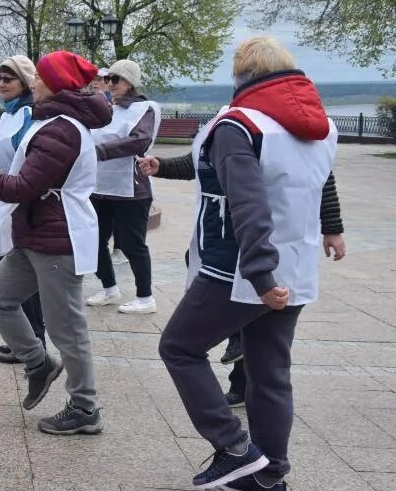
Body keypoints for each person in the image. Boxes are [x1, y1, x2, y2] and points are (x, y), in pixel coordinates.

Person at [155, 36, 337, 491]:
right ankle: (270, 477)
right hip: (294, 262)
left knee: (179, 346)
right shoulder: (321, 125)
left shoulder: (240, 124)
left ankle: (234, 448)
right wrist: (331, 231)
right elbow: (321, 183)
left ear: (243, 75)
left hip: (239, 265)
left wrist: (260, 275)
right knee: (269, 372)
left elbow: (247, 203)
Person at [141, 153, 345, 409]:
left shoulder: (264, 128)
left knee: (184, 346)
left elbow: (322, 176)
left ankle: (235, 436)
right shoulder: (230, 122)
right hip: (226, 241)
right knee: (262, 352)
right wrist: (164, 165)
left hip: (257, 246)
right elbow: (203, 160)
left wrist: (332, 227)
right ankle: (242, 388)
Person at [0, 50, 111, 435]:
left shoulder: (60, 129)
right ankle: (39, 364)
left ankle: (85, 407)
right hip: (38, 233)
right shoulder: (54, 122)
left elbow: (24, 187)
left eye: (39, 77)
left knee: (66, 326)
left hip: (57, 238)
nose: (33, 82)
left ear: (55, 84)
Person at [0, 56, 48, 365]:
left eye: (8, 78)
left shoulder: (28, 114)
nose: (1, 83)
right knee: (6, 276)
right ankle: (24, 340)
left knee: (20, 280)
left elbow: (28, 159)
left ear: (25, 82)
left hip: (14, 203)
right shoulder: (6, 117)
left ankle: (34, 340)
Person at [85, 59, 160, 314]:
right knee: (94, 240)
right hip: (100, 186)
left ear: (130, 82)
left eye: (115, 79)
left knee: (132, 243)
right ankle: (109, 287)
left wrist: (101, 151)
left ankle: (145, 296)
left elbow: (139, 141)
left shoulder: (145, 109)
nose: (109, 84)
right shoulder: (107, 109)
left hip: (131, 190)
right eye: (108, 79)